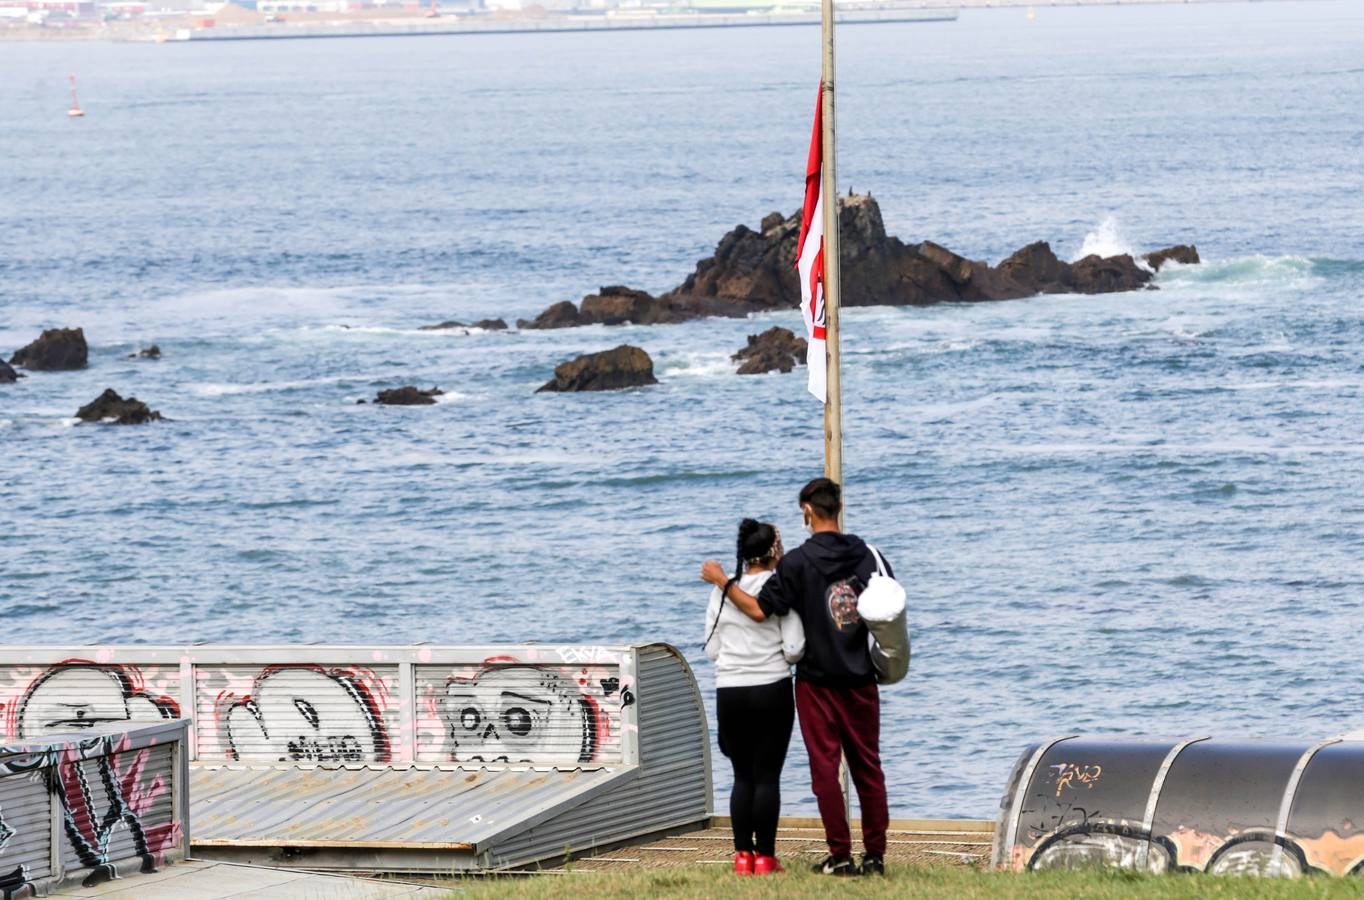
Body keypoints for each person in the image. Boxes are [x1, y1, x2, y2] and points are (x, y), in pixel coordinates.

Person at [700, 477, 893, 878]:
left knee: (825, 771)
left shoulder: (796, 563)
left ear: (808, 511)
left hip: (815, 683)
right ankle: (874, 856)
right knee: (868, 767)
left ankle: (840, 856)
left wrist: (722, 582)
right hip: (860, 678)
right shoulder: (870, 555)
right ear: (838, 506)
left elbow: (758, 610)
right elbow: (890, 607)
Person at [703, 519, 805, 876]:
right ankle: (766, 858)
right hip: (771, 687)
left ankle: (741, 856)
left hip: (729, 689)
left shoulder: (721, 591)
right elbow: (793, 649)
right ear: (775, 550)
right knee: (767, 777)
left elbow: (713, 647)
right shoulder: (781, 587)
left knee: (741, 776)